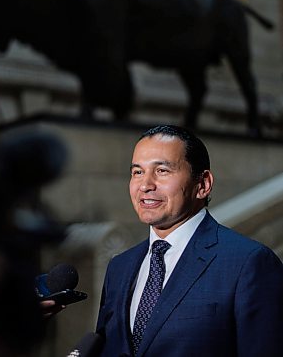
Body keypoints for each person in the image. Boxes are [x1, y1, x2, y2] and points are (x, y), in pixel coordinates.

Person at [96, 124, 283, 356]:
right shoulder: (119, 267)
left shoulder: (249, 263)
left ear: (203, 184)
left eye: (162, 171)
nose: (145, 185)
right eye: (137, 172)